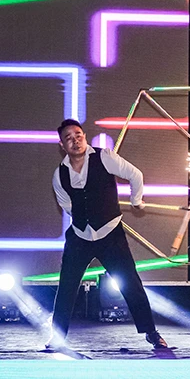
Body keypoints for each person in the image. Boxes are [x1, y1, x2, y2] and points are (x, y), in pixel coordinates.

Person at [47, 119, 168, 350]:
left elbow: (135, 174)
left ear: (84, 136)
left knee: (130, 284)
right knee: (67, 287)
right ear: (62, 145)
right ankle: (57, 336)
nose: (75, 141)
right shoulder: (59, 174)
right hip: (80, 236)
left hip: (110, 233)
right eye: (69, 138)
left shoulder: (104, 156)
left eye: (78, 135)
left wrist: (136, 200)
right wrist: (84, 218)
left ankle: (151, 333)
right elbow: (66, 205)